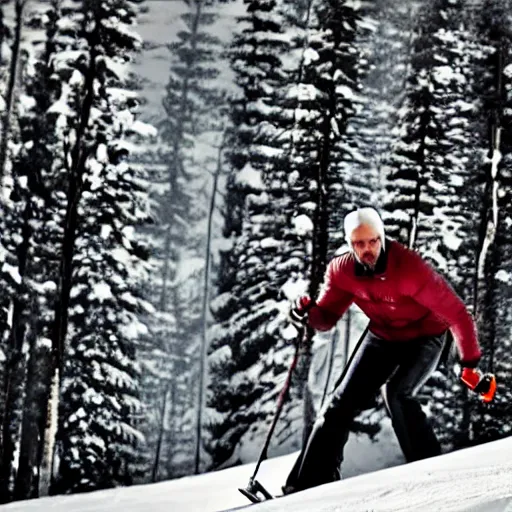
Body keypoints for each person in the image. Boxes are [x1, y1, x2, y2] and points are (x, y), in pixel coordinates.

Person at [284, 207, 495, 494]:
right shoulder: (342, 271)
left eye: (373, 241)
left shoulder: (408, 268)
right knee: (339, 403)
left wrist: (470, 365)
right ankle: (306, 487)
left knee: (396, 393)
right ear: (349, 244)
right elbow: (325, 320)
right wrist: (307, 311)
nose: (367, 249)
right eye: (359, 244)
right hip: (383, 335)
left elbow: (458, 314)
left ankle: (432, 474)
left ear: (382, 238)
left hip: (426, 335)